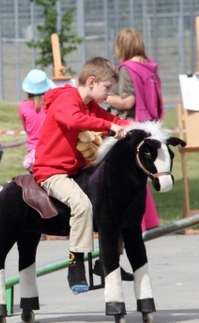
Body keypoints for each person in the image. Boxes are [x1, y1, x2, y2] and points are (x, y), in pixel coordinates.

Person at [31, 57, 130, 294]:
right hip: (51, 172)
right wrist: (110, 128)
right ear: (92, 82)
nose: (108, 95)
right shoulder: (66, 98)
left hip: (75, 170)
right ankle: (75, 265)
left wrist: (139, 129)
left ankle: (108, 261)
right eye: (107, 88)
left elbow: (112, 119)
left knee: (115, 202)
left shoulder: (91, 106)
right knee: (82, 205)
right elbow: (73, 120)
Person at [105, 28, 164, 230]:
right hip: (148, 125)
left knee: (125, 177)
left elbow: (128, 101)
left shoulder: (127, 68)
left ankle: (134, 222)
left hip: (130, 126)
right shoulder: (149, 67)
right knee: (141, 176)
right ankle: (150, 221)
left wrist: (105, 97)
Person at [19, 69, 53, 172]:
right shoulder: (52, 105)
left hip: (33, 154)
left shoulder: (23, 106)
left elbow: (26, 128)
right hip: (51, 150)